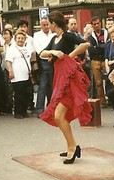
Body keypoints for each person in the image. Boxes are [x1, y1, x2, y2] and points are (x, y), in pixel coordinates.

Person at [39, 11, 91, 164]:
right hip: (59, 78)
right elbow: (42, 53)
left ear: (54, 24)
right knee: (58, 116)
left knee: (58, 116)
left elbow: (85, 44)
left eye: (49, 23)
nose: (48, 26)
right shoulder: (55, 39)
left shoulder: (67, 36)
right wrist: (53, 52)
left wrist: (71, 55)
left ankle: (73, 147)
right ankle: (72, 146)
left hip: (68, 79)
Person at [5, 30, 33, 119]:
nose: (20, 40)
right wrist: (10, 71)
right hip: (17, 76)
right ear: (15, 39)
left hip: (26, 75)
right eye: (18, 38)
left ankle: (24, 111)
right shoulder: (12, 48)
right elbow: (8, 61)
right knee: (19, 95)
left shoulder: (26, 48)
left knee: (26, 94)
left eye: (22, 38)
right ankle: (18, 112)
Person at [33, 17, 54, 114]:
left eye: (47, 24)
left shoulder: (53, 34)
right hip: (43, 61)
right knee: (43, 85)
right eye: (44, 25)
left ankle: (51, 106)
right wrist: (48, 54)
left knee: (52, 85)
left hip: (53, 61)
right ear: (40, 25)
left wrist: (52, 56)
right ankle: (39, 109)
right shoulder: (37, 35)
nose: (46, 27)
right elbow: (38, 49)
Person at [87, 16, 108, 105]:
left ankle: (110, 98)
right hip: (95, 60)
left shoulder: (106, 33)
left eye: (98, 23)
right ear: (92, 26)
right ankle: (102, 101)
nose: (96, 25)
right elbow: (91, 49)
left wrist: (97, 47)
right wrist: (101, 46)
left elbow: (107, 47)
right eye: (94, 24)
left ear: (100, 23)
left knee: (110, 79)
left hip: (105, 60)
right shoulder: (90, 36)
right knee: (98, 82)